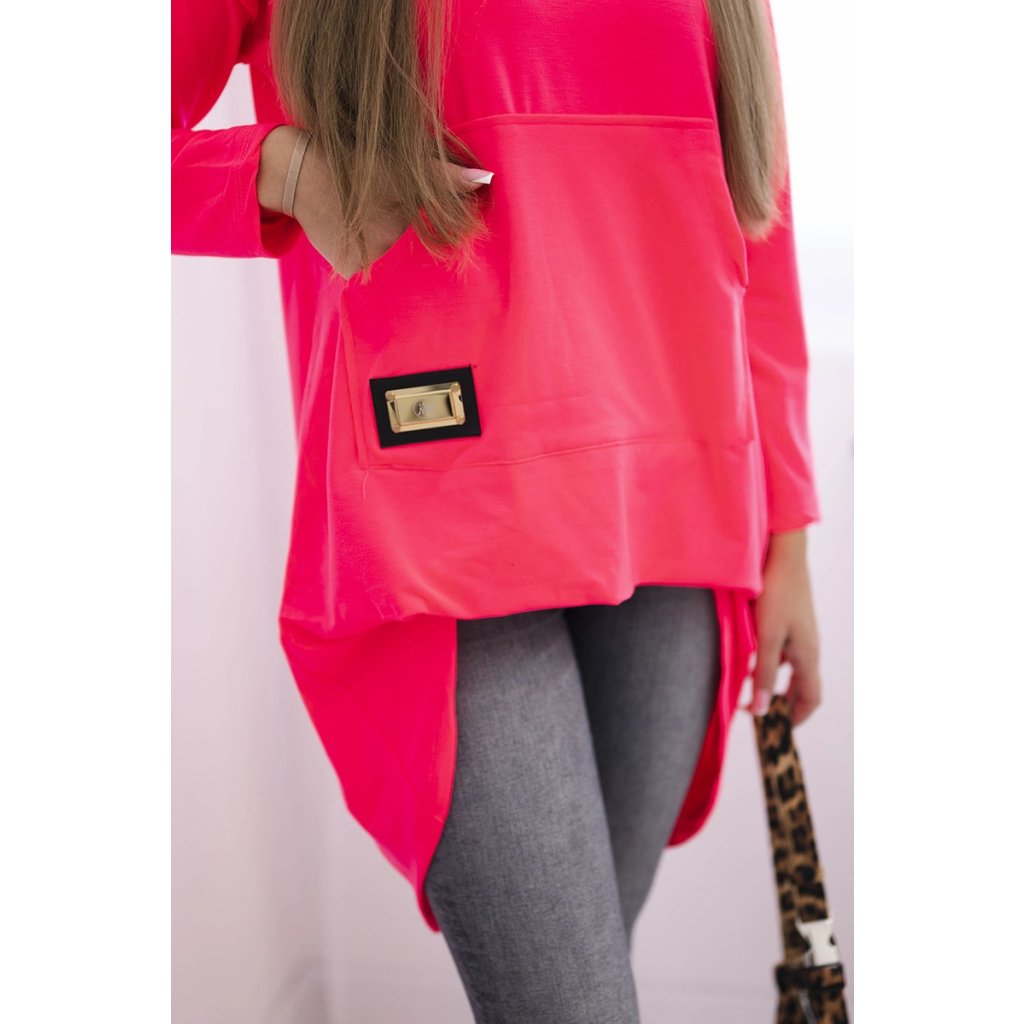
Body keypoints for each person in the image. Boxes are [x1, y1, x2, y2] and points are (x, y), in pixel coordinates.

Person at [172, 0, 824, 1019]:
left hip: (677, 511)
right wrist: (283, 171)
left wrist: (789, 532)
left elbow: (757, 204)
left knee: (582, 983)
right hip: (439, 527)